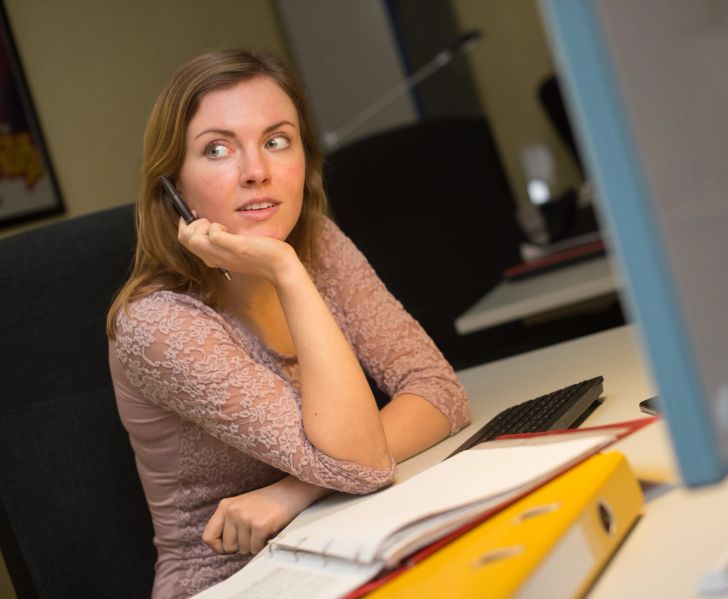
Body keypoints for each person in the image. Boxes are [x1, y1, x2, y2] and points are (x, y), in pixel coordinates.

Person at [106, 49, 471, 598]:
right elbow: (364, 464)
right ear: (172, 185)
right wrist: (285, 269)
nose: (257, 172)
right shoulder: (158, 324)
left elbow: (440, 392)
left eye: (277, 141)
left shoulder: (318, 244)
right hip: (235, 580)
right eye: (218, 149)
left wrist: (293, 491)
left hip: (343, 539)